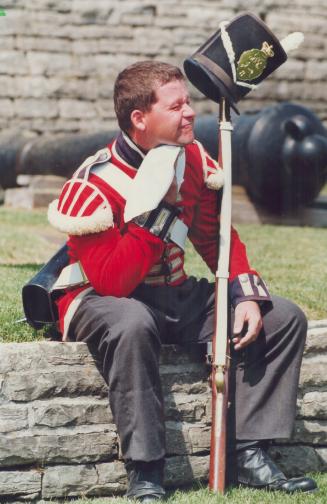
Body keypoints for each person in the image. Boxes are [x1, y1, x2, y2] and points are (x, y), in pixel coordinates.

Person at [48, 61, 317, 501]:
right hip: (102, 297)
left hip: (171, 294)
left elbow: (215, 237)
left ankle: (250, 452)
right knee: (132, 321)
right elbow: (114, 281)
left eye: (188, 102)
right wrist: (160, 212)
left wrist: (243, 290)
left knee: (282, 316)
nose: (190, 112)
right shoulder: (97, 184)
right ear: (140, 118)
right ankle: (146, 470)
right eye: (176, 106)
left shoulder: (191, 158)